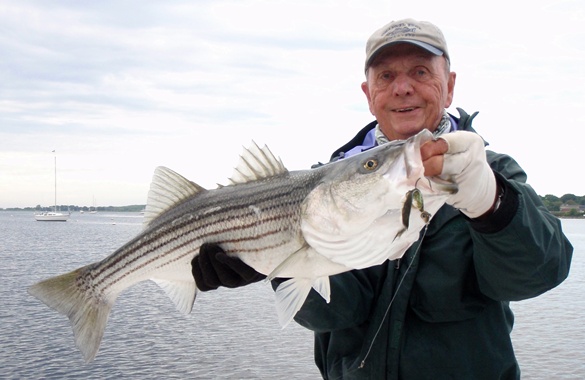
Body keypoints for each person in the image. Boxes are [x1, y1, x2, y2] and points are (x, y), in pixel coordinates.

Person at [191, 18, 573, 379]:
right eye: (386, 76)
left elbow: (538, 274)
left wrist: (491, 203)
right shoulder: (325, 183)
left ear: (450, 85)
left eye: (421, 72)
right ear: (368, 94)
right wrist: (272, 260)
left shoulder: (495, 173)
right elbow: (335, 311)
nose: (402, 87)